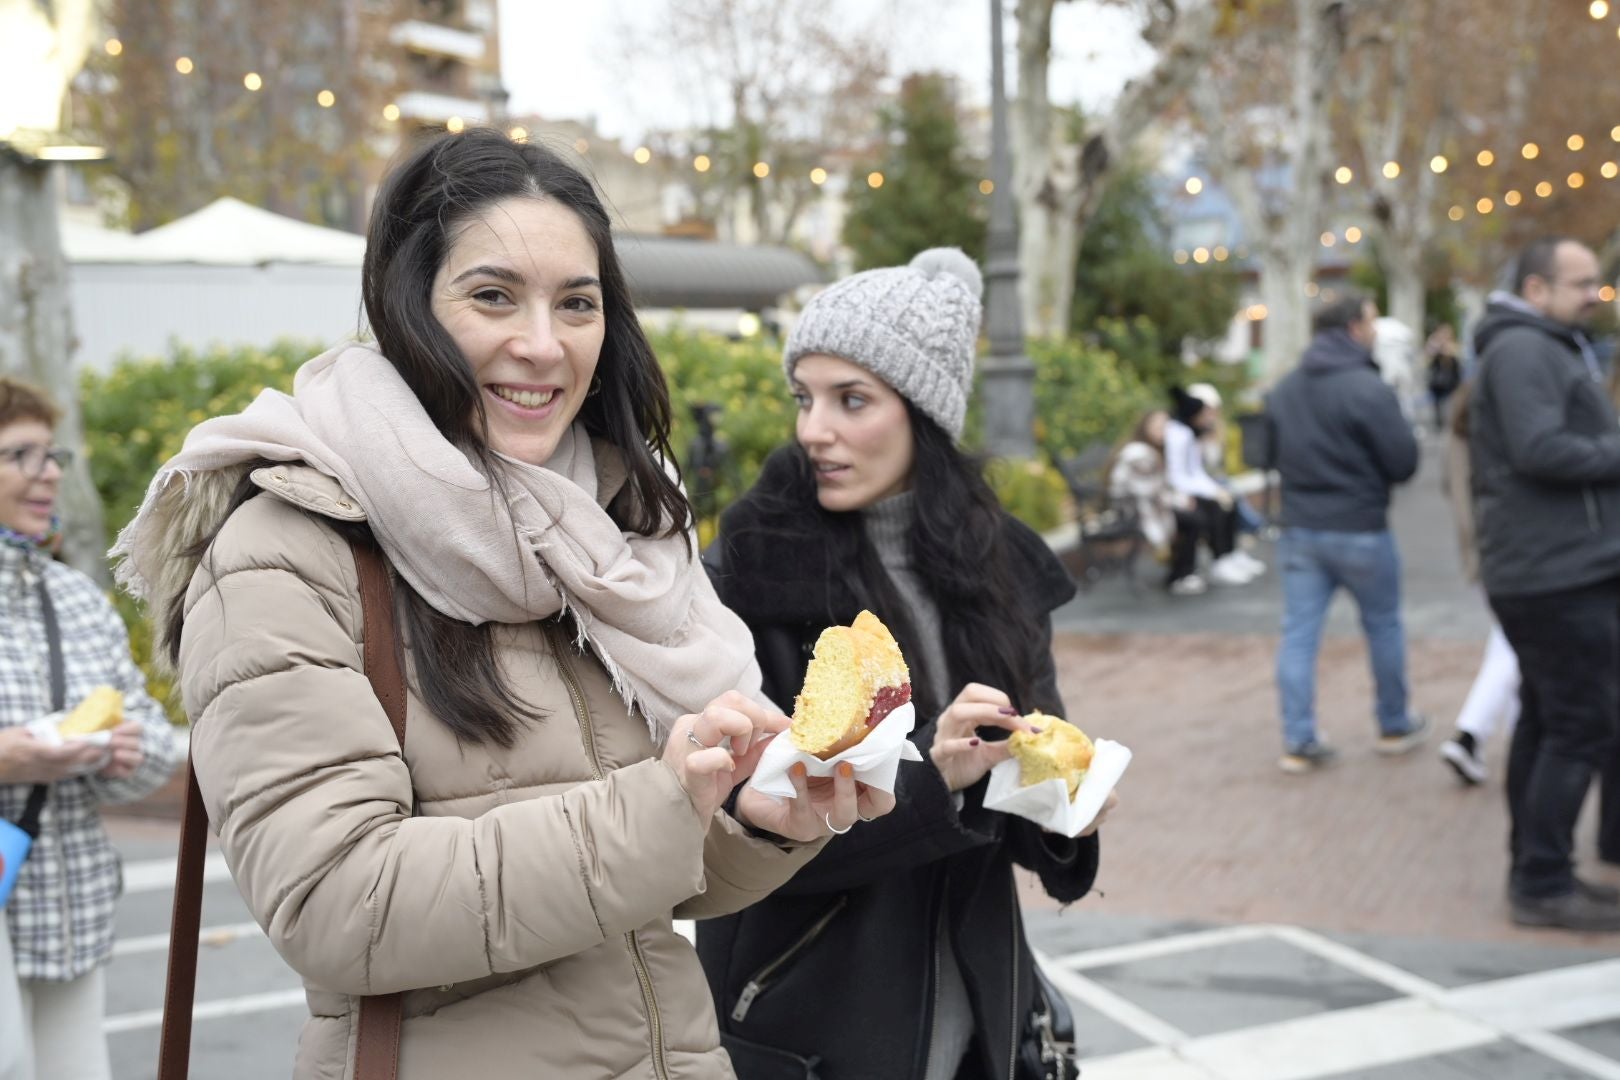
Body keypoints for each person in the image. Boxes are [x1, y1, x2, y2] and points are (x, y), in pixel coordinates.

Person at [111, 129, 893, 1079]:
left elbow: (646, 894)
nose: (541, 344)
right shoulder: (285, 548)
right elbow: (334, 903)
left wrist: (762, 821)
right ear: (408, 307)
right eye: (492, 296)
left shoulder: (605, 535)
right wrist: (660, 805)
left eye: (577, 303)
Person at [698, 248, 1111, 1080]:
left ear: (922, 412)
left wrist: (1070, 809)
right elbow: (744, 837)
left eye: (852, 400)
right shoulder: (752, 569)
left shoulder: (1000, 565)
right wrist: (937, 776)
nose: (816, 430)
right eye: (805, 398)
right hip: (813, 1028)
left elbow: (1025, 779)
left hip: (982, 1022)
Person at [0, 377, 182, 1080]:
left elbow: (153, 738)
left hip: (64, 899)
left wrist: (125, 752)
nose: (47, 474)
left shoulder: (72, 597)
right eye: (21, 456)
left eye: (51, 456)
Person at [1469, 237, 1620, 931]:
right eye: (1581, 282)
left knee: (1548, 718)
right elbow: (1540, 448)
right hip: (1554, 574)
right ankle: (1540, 880)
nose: (1595, 292)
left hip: (1554, 567)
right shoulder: (1526, 350)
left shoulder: (1541, 344)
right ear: (1536, 289)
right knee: (1579, 723)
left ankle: (1539, 866)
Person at [1265, 293, 1428, 774]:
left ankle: (1299, 738)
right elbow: (1403, 463)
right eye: (1372, 320)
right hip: (1360, 527)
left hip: (1301, 528)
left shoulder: (1286, 388)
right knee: (1382, 626)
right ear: (1355, 327)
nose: (1375, 329)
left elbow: (1269, 455)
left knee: (1298, 635)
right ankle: (1393, 725)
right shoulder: (1367, 387)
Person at [1437, 382, 1520, 786]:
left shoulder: (1459, 427)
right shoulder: (1503, 429)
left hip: (1478, 552)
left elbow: (1445, 484)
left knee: (1510, 643)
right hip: (1511, 552)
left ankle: (1476, 736)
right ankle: (1472, 734)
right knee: (1515, 645)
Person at [1165, 387, 1260, 587]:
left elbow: (1195, 471)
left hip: (1188, 488)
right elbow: (1177, 475)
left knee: (1228, 499)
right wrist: (1212, 492)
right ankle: (1220, 559)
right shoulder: (1178, 434)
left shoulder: (1190, 434)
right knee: (1215, 508)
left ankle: (1229, 554)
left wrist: (1216, 491)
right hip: (1175, 493)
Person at [1108, 409, 1198, 590]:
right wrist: (1178, 501)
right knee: (1192, 520)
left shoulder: (1155, 450)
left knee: (1200, 511)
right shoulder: (1138, 454)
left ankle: (1185, 570)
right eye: (1158, 427)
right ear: (1145, 427)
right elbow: (1147, 491)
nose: (1162, 431)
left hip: (1150, 504)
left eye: (1165, 427)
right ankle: (1179, 575)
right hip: (1135, 510)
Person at [1425, 324, 1463, 435]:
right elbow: (1427, 361)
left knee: (1448, 406)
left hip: (1450, 383)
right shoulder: (1435, 346)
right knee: (1437, 407)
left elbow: (1457, 363)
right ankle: (1439, 425)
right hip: (1437, 383)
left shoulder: (1454, 346)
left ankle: (1446, 426)